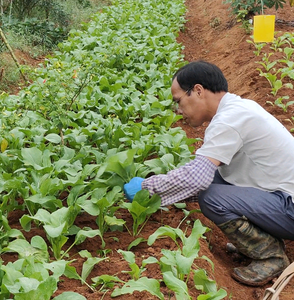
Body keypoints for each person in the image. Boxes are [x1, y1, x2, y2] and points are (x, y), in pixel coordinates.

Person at [124, 60, 294, 287]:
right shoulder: (238, 109)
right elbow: (203, 175)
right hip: (281, 196)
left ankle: (271, 256)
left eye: (179, 101)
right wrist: (163, 193)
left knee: (211, 197)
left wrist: (147, 189)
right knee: (215, 179)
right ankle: (257, 241)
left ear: (198, 90)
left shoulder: (229, 120)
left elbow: (197, 179)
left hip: (289, 207)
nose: (178, 110)